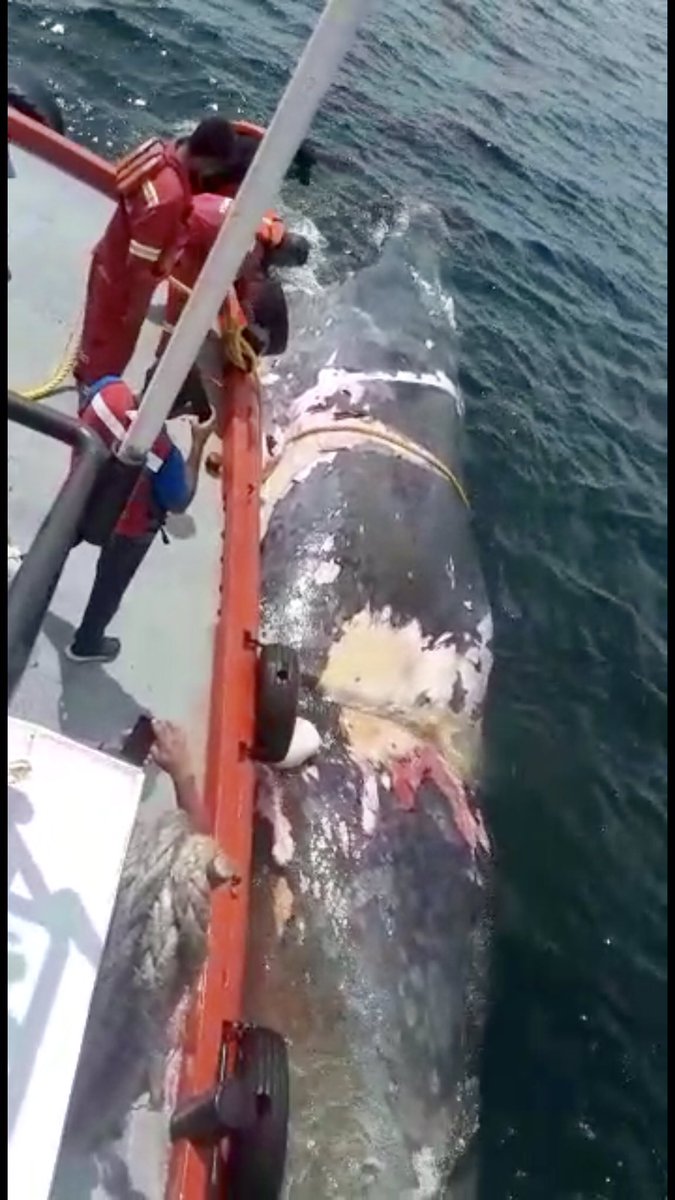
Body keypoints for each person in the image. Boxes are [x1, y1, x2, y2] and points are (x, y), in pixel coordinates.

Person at [73, 117, 237, 401]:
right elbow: (139, 270)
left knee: (96, 334)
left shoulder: (162, 151)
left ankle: (86, 371)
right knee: (111, 349)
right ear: (207, 159)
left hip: (109, 257)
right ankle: (94, 398)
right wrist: (135, 314)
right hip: (120, 285)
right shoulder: (168, 198)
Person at [65, 376, 216, 664]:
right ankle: (86, 644)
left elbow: (82, 410)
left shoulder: (108, 388)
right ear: (177, 410)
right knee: (108, 589)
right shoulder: (164, 454)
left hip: (80, 493)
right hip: (127, 530)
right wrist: (198, 444)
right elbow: (179, 500)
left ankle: (25, 579)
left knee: (57, 542)